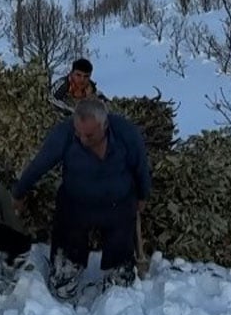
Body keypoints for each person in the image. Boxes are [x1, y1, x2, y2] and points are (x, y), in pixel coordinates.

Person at [12, 97, 151, 302]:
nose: (82, 139)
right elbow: (39, 164)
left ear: (104, 126)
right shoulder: (65, 134)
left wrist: (143, 196)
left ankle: (116, 283)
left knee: (120, 266)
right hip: (76, 204)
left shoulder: (126, 133)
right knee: (66, 258)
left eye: (89, 135)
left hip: (118, 205)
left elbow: (141, 167)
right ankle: (65, 277)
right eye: (78, 132)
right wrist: (18, 192)